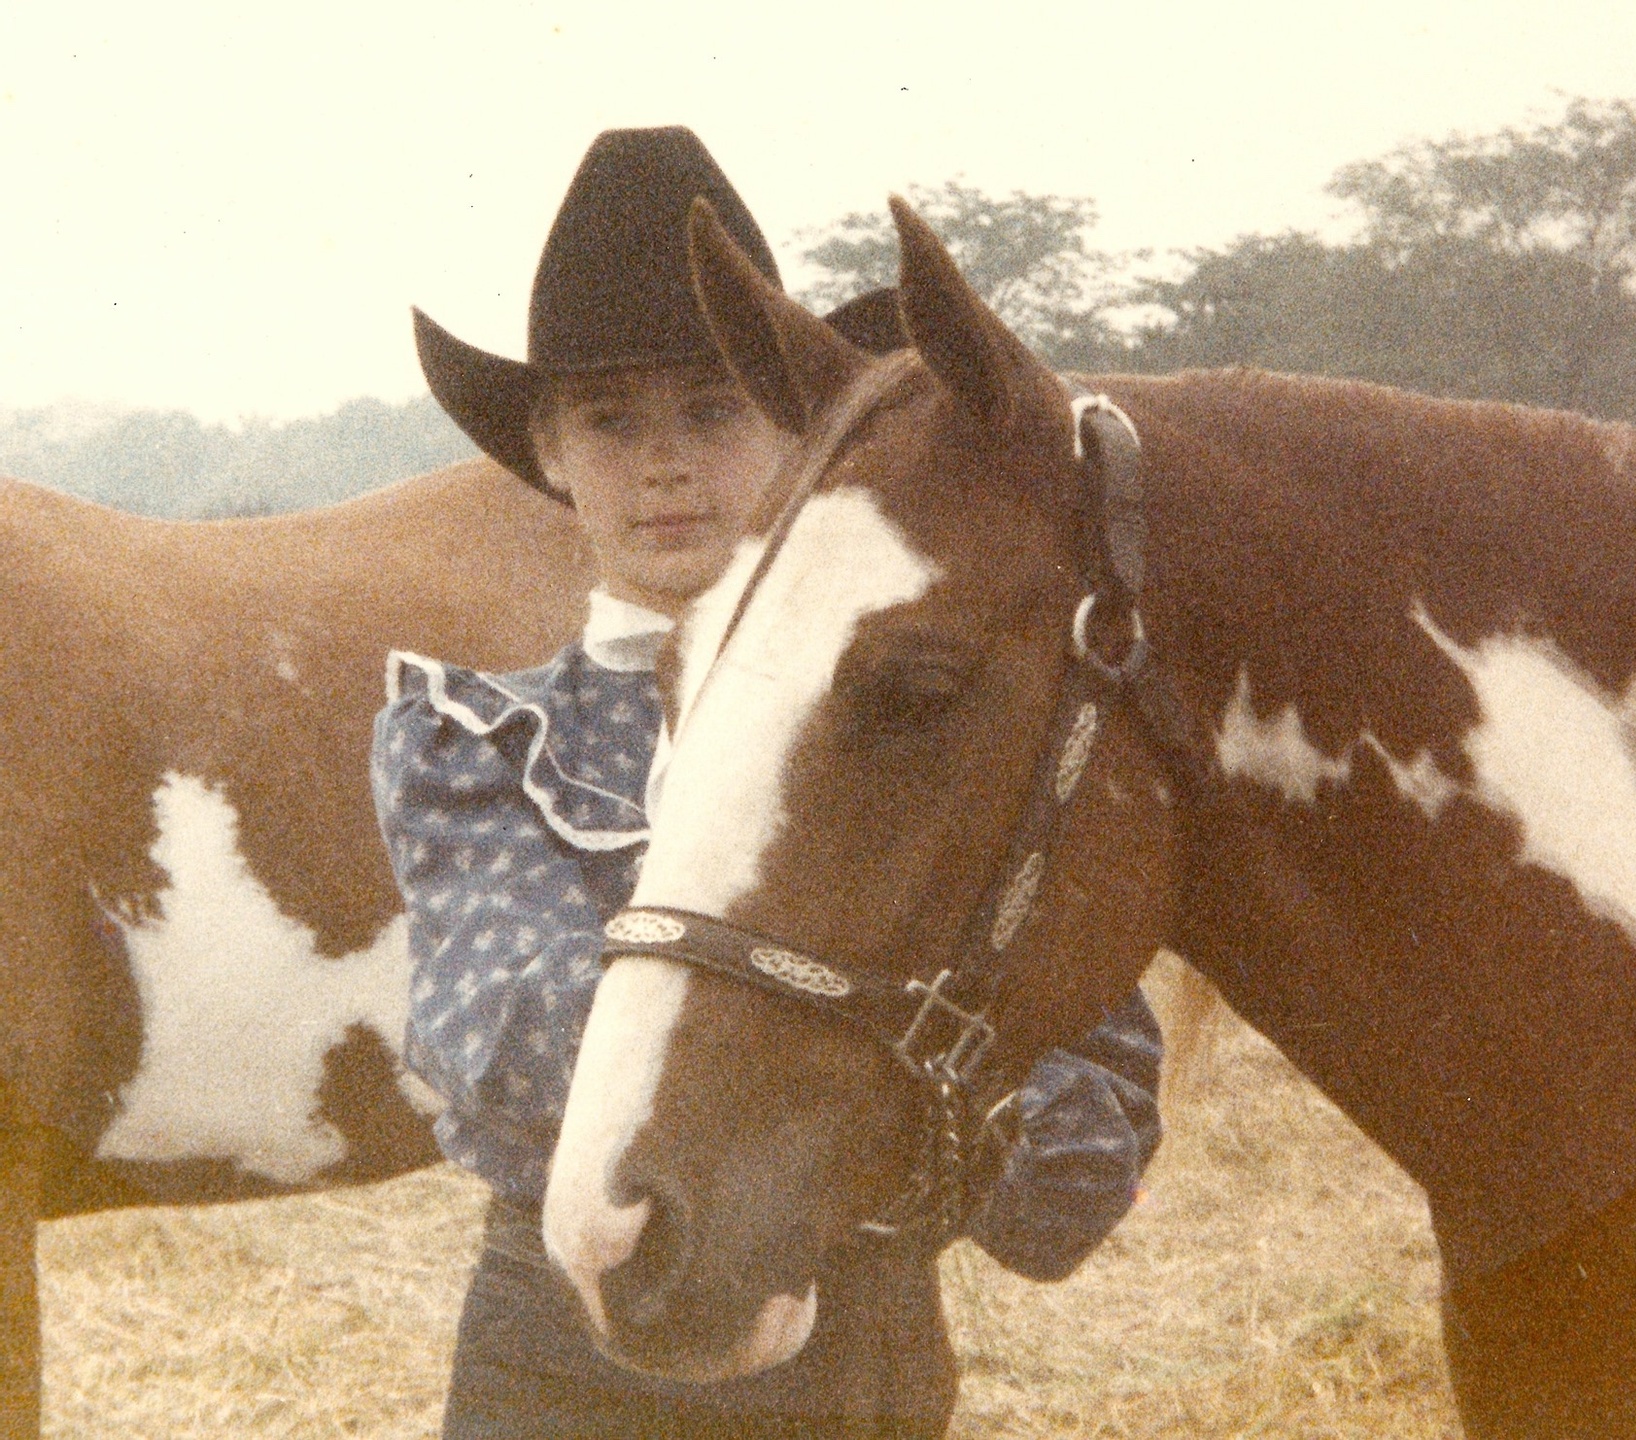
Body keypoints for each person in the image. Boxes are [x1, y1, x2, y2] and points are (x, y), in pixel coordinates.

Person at [371, 127, 1163, 1439]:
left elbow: (1086, 1148)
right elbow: (501, 1032)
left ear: (802, 428)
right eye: (609, 421)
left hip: (861, 1351)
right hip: (570, 1358)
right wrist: (909, 1072)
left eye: (712, 408)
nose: (664, 463)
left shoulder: (933, 722)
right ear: (549, 451)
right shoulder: (476, 738)